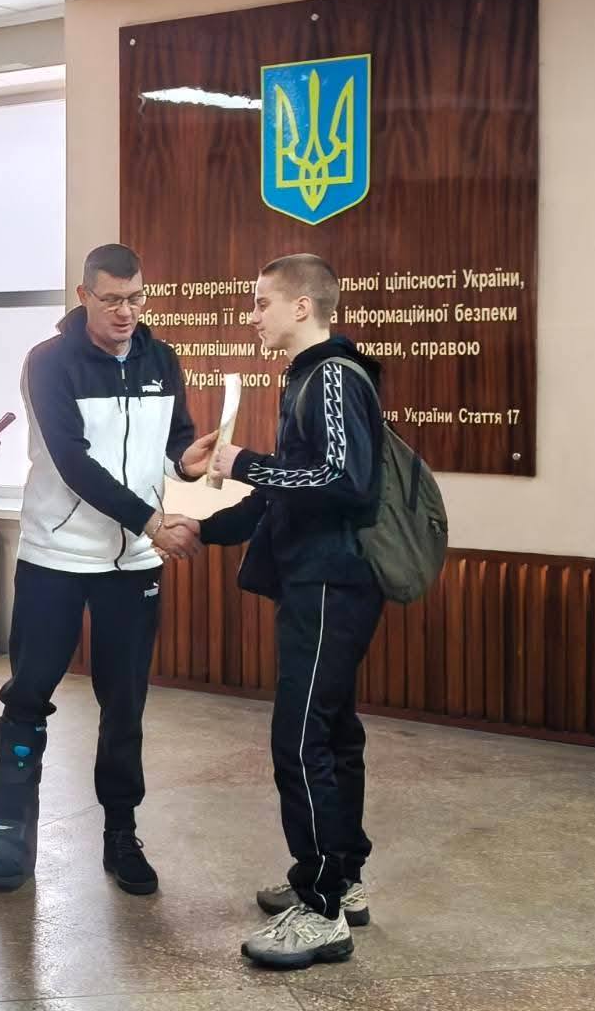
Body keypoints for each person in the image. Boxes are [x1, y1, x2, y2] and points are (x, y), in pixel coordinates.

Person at [0, 243, 214, 898]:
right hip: (55, 557)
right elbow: (73, 461)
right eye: (111, 300)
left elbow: (175, 441)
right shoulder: (49, 362)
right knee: (28, 696)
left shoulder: (162, 359)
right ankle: (7, 834)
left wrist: (189, 462)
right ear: (83, 297)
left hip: (133, 565)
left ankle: (121, 833)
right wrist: (151, 520)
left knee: (125, 705)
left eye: (136, 298)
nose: (125, 312)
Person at [197, 254, 384, 971]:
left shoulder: (331, 375)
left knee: (300, 739)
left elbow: (344, 479)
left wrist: (243, 461)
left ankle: (322, 907)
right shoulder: (307, 376)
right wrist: (203, 527)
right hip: (324, 581)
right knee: (331, 731)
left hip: (331, 582)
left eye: (261, 302)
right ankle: (345, 878)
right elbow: (290, 490)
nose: (252, 316)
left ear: (302, 306)